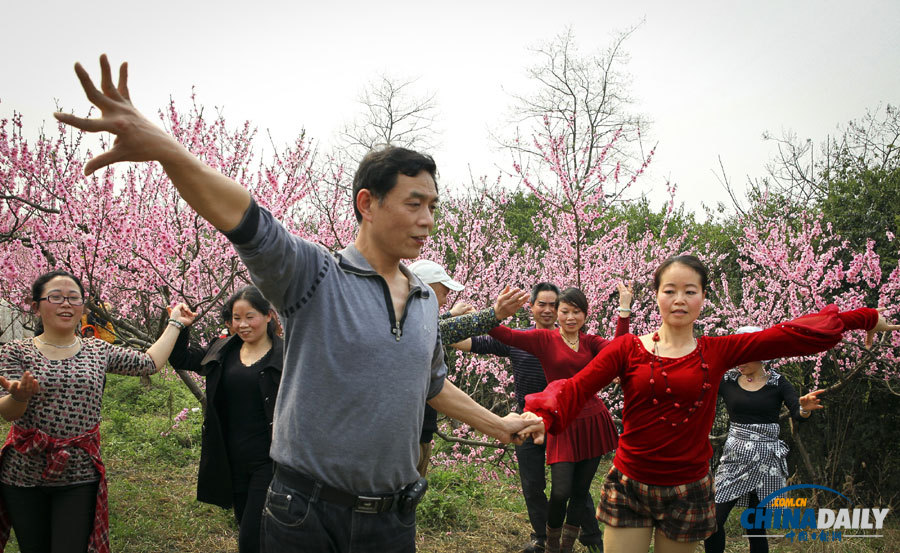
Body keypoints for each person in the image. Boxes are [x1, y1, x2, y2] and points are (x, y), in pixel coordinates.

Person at [56, 56, 542, 553]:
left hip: (393, 520)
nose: (427, 220)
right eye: (413, 203)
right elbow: (244, 218)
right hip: (306, 514)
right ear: (367, 204)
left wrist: (498, 424)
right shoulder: (316, 276)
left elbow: (431, 383)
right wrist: (167, 149)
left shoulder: (422, 299)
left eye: (433, 206)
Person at [520, 255, 898, 553]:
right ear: (656, 295)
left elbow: (789, 336)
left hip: (688, 489)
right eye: (670, 290)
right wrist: (540, 416)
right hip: (631, 483)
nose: (679, 299)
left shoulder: (719, 351)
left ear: (703, 297)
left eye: (690, 291)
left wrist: (863, 317)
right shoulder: (627, 348)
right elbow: (575, 388)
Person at [0, 269, 195, 553]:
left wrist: (175, 322)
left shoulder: (97, 350)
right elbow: (9, 412)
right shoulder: (17, 350)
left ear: (82, 306)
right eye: (56, 297)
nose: (66, 304)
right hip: (23, 473)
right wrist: (19, 397)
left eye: (73, 298)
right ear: (36, 306)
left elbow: (150, 362)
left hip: (79, 473)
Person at [454, 282, 614, 553]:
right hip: (528, 421)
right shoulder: (529, 340)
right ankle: (542, 537)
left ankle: (590, 536)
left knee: (573, 486)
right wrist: (459, 321)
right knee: (534, 484)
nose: (549, 310)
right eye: (543, 304)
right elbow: (473, 342)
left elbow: (613, 353)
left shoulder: (578, 341)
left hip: (566, 422)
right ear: (531, 307)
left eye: (555, 305)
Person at [168, 286, 283, 553]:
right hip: (231, 458)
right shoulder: (223, 350)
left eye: (250, 316)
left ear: (268, 316)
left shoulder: (286, 356)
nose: (242, 325)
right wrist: (182, 326)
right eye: (236, 318)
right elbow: (181, 357)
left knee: (251, 539)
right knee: (247, 525)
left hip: (269, 461)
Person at [704, 325, 823, 553]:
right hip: (734, 460)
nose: (740, 361)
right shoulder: (726, 380)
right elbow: (696, 391)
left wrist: (804, 409)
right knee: (713, 521)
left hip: (766, 463)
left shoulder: (778, 383)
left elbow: (798, 414)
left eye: (745, 355)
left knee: (755, 528)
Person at [408, 259, 529, 477]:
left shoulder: (409, 322)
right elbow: (437, 330)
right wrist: (493, 314)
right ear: (426, 289)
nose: (445, 301)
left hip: (419, 431)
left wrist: (452, 315)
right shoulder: (408, 326)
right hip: (407, 437)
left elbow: (436, 327)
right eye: (443, 293)